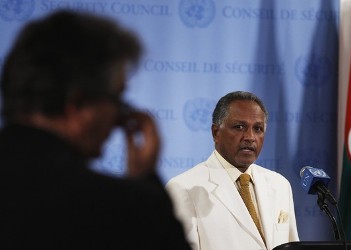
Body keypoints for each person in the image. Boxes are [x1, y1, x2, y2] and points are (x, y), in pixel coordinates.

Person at [0, 10, 191, 250]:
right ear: (78, 106)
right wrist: (146, 183)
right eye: (118, 99)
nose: (120, 117)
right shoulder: (124, 210)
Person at [166, 91, 299, 250]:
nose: (250, 137)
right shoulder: (183, 188)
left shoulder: (280, 185)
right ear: (216, 133)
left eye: (258, 129)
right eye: (239, 127)